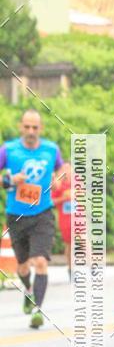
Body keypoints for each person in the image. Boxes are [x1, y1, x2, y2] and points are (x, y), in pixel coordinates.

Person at [0, 109, 64, 329]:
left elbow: (62, 167)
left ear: (41, 129)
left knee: (41, 262)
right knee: (23, 267)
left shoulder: (51, 149)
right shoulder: (8, 150)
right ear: (21, 127)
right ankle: (27, 290)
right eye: (27, 127)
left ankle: (38, 309)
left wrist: (58, 178)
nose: (30, 131)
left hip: (43, 213)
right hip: (16, 215)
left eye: (34, 127)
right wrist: (9, 179)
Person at [51, 162, 73, 278]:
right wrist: (64, 198)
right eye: (64, 169)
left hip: (79, 217)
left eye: (69, 168)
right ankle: (71, 269)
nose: (67, 171)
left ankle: (93, 266)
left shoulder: (78, 182)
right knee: (69, 245)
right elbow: (52, 202)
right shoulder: (58, 185)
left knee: (83, 239)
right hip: (64, 219)